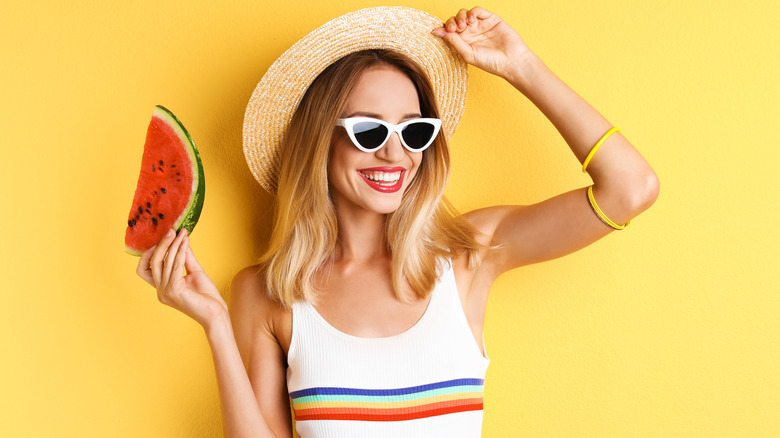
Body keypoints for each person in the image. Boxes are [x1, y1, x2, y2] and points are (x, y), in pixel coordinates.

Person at [136, 6, 658, 438]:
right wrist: (216, 326)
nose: (394, 153)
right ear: (321, 140)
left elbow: (631, 188)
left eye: (414, 132)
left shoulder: (469, 256)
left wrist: (520, 64)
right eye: (368, 130)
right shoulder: (266, 292)